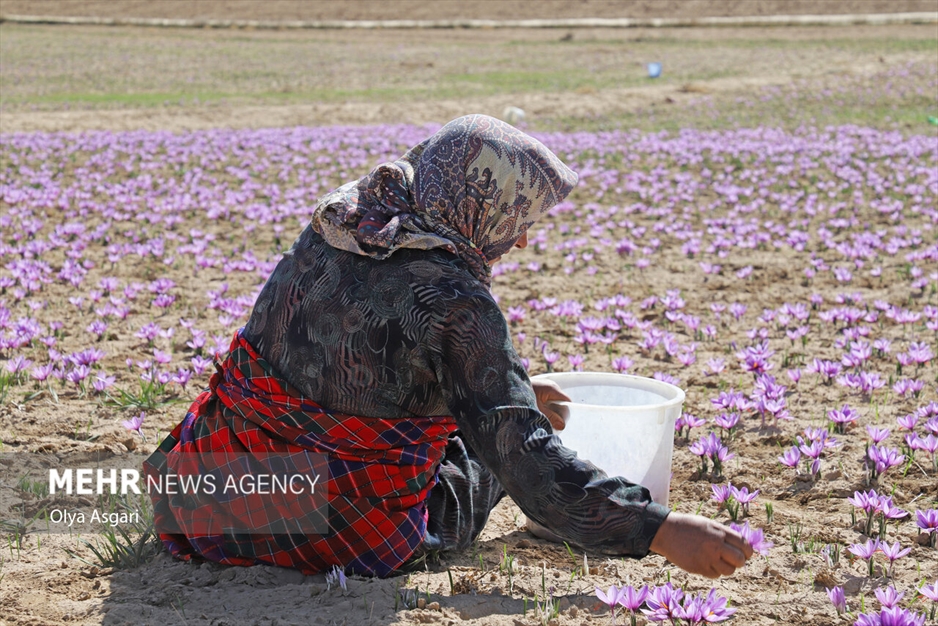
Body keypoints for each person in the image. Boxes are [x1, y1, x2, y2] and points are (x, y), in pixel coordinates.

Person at [144, 114, 752, 580]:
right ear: (482, 204)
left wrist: (508, 395)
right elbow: (529, 465)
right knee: (495, 453)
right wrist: (661, 530)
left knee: (489, 421)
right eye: (517, 223)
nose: (515, 245)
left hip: (217, 491)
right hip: (330, 528)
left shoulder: (341, 226)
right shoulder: (457, 304)